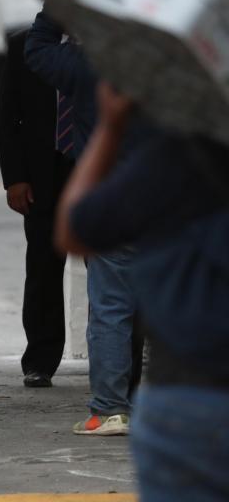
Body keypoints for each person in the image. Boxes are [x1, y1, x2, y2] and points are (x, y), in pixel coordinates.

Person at [56, 83, 229, 500]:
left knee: (112, 308)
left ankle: (109, 405)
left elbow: (74, 231)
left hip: (190, 397)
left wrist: (110, 128)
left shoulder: (174, 158)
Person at [25, 8, 144, 435]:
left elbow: (36, 48)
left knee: (111, 306)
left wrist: (55, 8)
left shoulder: (85, 63)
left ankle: (110, 410)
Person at [0, 30, 73, 388]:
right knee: (43, 264)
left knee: (108, 270)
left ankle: (116, 360)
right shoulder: (24, 45)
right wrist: (14, 178)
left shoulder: (102, 38)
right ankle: (40, 359)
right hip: (43, 176)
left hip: (93, 168)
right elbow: (8, 116)